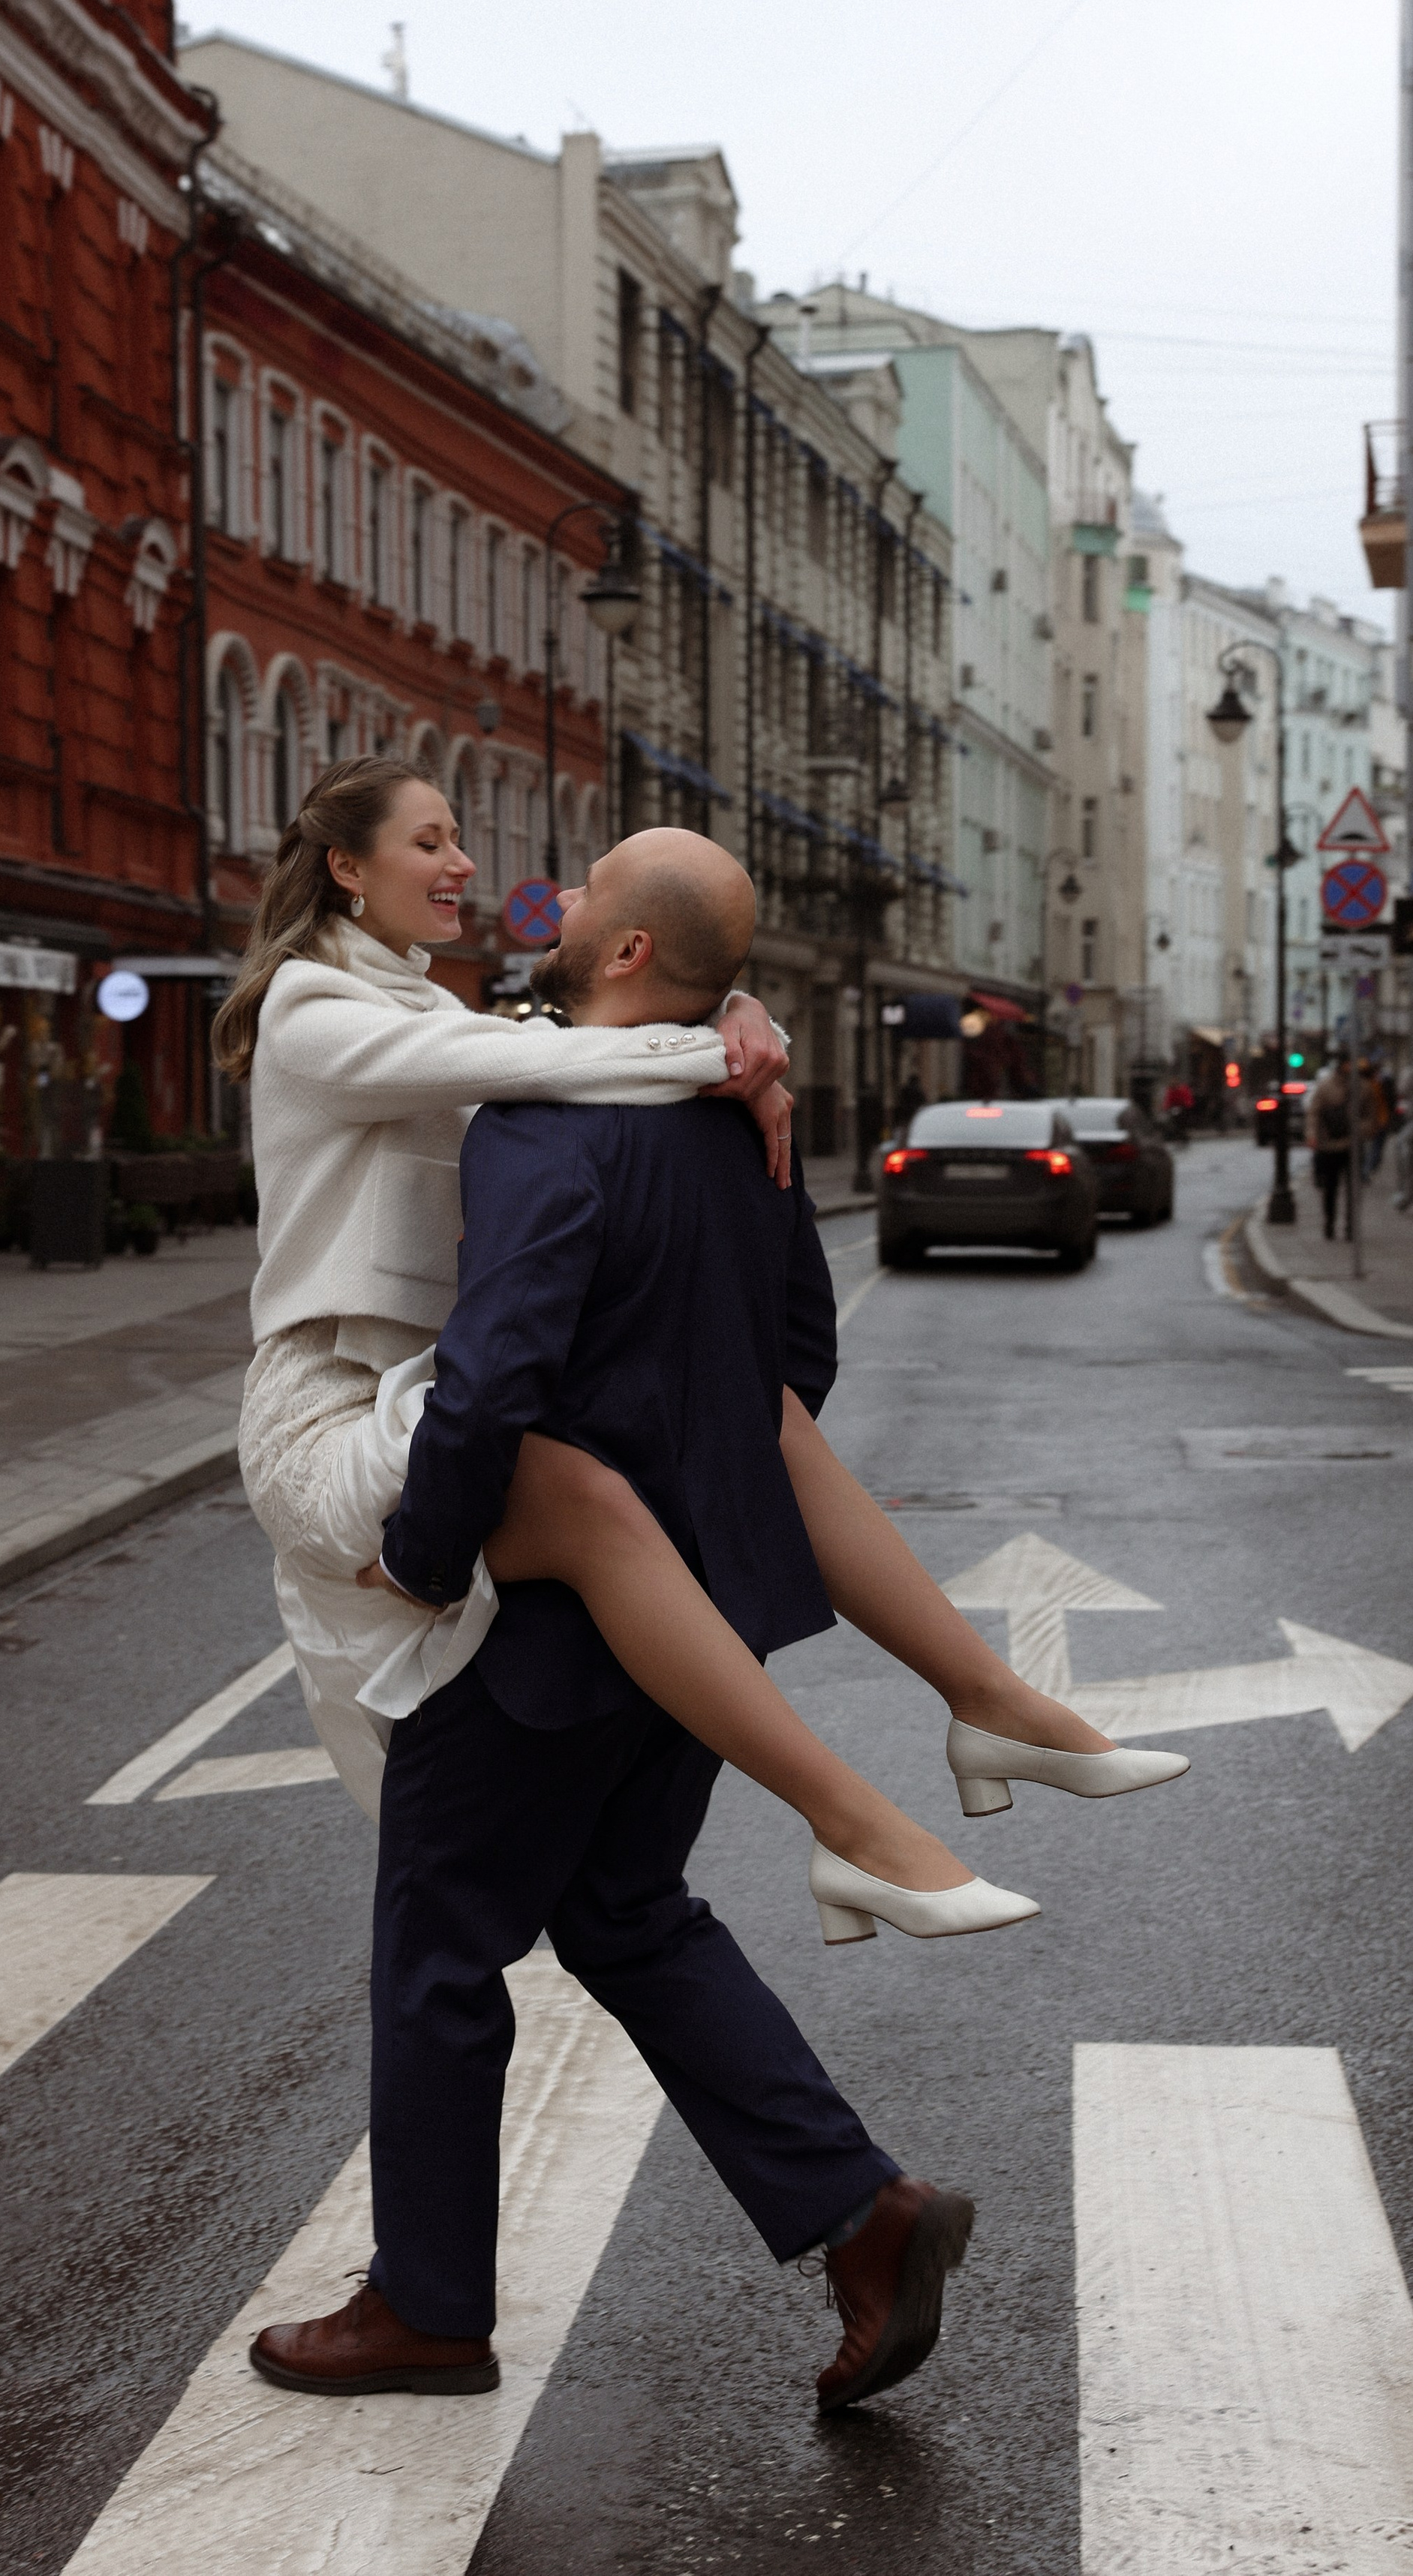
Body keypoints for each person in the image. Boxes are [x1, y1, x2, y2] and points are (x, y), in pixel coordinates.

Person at [245, 842, 990, 2417]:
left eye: (581, 890)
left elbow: (496, 1372)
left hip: (555, 1621)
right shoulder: (733, 1116)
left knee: (438, 1949)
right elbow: (795, 1353)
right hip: (697, 1618)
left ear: (620, 940)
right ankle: (862, 2217)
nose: (550, 898)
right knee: (629, 1914)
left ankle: (428, 2310)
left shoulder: (551, 1120)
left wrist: (432, 1551)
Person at [220, 758, 1180, 1914]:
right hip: (327, 1413)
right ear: (346, 868)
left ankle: (989, 1699)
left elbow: (581, 1035)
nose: (464, 864)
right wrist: (729, 1041)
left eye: (458, 837)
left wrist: (733, 1011)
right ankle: (852, 1820)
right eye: (431, 842)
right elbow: (555, 1056)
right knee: (591, 1500)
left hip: (417, 1390)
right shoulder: (312, 1012)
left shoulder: (435, 1009)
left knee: (757, 1411)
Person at [1306, 1056, 1354, 1239]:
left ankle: (1350, 1226)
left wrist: (1362, 1130)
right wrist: (1312, 1135)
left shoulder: (1360, 1086)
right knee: (1330, 1189)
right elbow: (1314, 1113)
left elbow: (1370, 1114)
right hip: (1329, 1146)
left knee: (1353, 1190)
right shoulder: (1325, 1086)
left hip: (1351, 1145)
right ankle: (1330, 1222)